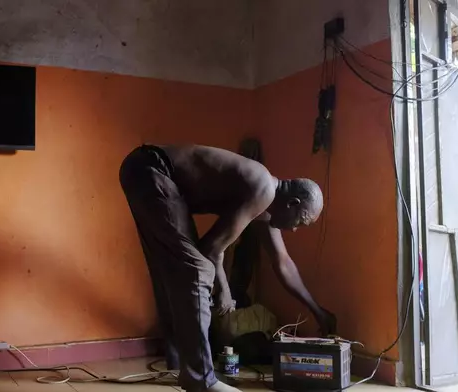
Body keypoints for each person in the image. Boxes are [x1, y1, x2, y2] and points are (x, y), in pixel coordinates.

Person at [119, 144, 335, 392]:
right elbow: (211, 248)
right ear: (293, 204)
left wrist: (316, 310)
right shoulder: (263, 188)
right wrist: (223, 290)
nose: (295, 229)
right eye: (301, 221)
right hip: (153, 169)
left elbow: (283, 263)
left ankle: (179, 362)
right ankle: (200, 379)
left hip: (143, 170)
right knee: (197, 269)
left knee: (177, 267)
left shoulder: (266, 207)